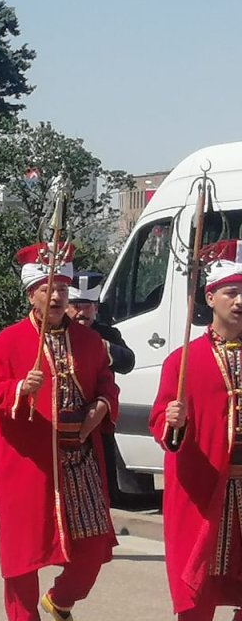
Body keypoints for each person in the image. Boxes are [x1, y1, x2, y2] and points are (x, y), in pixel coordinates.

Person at [0, 242, 120, 621]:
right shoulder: (9, 340)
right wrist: (19, 388)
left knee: (93, 548)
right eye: (48, 289)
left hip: (80, 460)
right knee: (23, 558)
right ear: (31, 294)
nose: (57, 296)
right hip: (30, 463)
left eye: (63, 289)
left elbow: (107, 382)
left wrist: (102, 405)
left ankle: (59, 601)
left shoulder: (90, 341)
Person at [150, 239, 242, 621]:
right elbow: (160, 420)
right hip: (205, 486)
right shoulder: (183, 360)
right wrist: (174, 422)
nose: (239, 301)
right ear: (210, 298)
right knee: (198, 587)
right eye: (231, 292)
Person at [67, 271, 135, 375]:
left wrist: (101, 347)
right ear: (66, 308)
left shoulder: (107, 334)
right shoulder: (59, 332)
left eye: (87, 307)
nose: (82, 313)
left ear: (96, 308)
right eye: (77, 307)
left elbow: (127, 363)